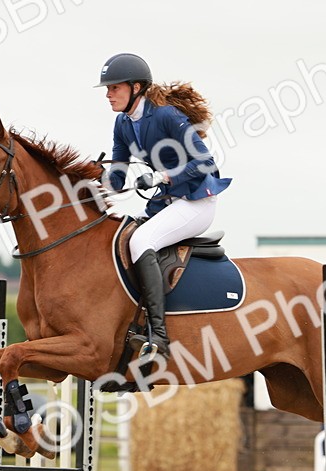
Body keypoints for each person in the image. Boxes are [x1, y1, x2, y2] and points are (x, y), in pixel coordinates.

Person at [97, 52, 232, 362]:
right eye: (107, 89)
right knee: (118, 235)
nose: (108, 95)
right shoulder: (123, 124)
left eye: (114, 88)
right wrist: (97, 180)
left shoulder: (166, 116)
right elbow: (118, 175)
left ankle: (159, 334)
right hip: (165, 205)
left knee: (141, 240)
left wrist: (162, 175)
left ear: (135, 88)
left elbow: (205, 162)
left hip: (196, 201)